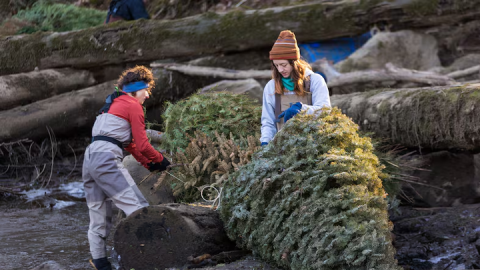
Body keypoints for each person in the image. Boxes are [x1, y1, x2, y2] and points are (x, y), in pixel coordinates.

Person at [82, 66, 170, 270]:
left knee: (99, 216)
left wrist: (149, 164)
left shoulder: (112, 103)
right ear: (135, 90)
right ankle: (150, 259)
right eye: (146, 90)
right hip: (106, 158)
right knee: (138, 208)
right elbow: (143, 144)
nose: (147, 95)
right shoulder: (132, 105)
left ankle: (101, 264)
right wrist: (161, 160)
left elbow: (130, 145)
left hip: (90, 157)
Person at [260, 30, 331, 146]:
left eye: (284, 65)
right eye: (276, 65)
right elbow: (268, 121)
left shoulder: (315, 81)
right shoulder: (271, 87)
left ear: (294, 63)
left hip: (313, 145)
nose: (280, 70)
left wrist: (302, 109)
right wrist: (265, 142)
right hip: (284, 147)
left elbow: (325, 111)